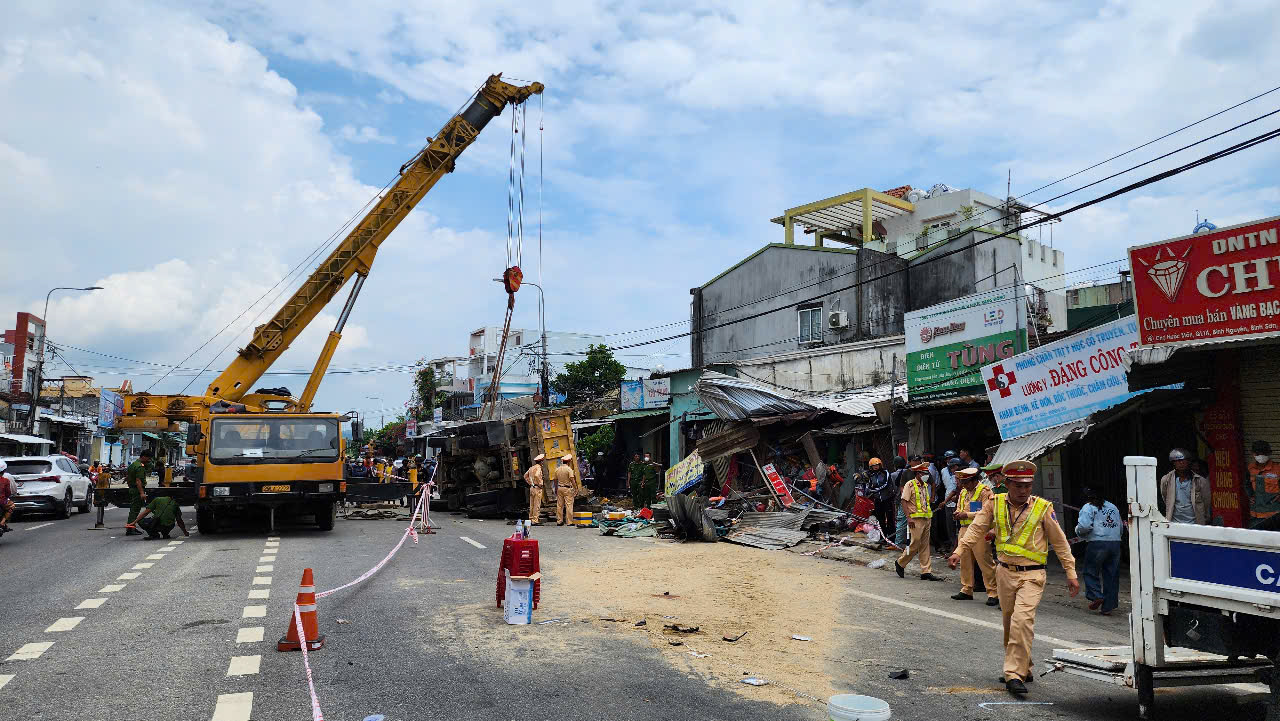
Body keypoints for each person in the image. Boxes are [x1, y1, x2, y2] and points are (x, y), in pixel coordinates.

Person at [949, 459, 1079, 695]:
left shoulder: (1042, 508)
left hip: (1033, 575)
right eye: (1018, 486)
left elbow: (1060, 542)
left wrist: (1070, 572)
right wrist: (959, 551)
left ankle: (1013, 674)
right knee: (1010, 624)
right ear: (1007, 483)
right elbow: (976, 528)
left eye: (1027, 486)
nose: (1023, 490)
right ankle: (1024, 667)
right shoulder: (995, 503)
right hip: (1004, 572)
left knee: (1022, 621)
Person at [948, 466, 998, 605]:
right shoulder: (964, 491)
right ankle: (967, 589)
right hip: (964, 529)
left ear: (974, 480)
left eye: (966, 482)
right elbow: (959, 507)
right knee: (965, 561)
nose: (963, 485)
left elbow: (987, 513)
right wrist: (958, 513)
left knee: (985, 561)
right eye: (962, 482)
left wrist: (967, 515)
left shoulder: (985, 492)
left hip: (980, 531)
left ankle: (993, 593)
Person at [1076, 486, 1124, 615]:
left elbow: (1084, 526)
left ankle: (1096, 595)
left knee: (1090, 571)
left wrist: (1079, 532)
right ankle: (1108, 606)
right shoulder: (1113, 507)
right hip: (1115, 543)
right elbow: (1120, 527)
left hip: (1097, 543)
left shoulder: (1088, 507)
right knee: (1112, 575)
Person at [896, 461, 942, 581]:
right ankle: (900, 562)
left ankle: (926, 571)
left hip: (926, 518)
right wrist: (908, 517)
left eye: (927, 473)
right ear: (918, 474)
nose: (926, 475)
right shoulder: (910, 485)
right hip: (915, 519)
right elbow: (904, 501)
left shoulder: (925, 486)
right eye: (924, 473)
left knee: (925, 545)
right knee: (915, 543)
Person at [1159, 448, 1211, 525]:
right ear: (1174, 463)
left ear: (1188, 462)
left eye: (1184, 460)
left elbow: (1206, 503)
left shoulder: (1200, 481)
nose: (1181, 463)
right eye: (1178, 461)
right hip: (1174, 523)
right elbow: (1165, 498)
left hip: (1195, 524)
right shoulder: (1166, 480)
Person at [1246, 440, 1280, 529]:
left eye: (1263, 453)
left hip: (1275, 515)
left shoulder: (1277, 468)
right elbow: (1247, 484)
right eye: (1258, 453)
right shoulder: (1250, 468)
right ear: (1253, 454)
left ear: (1269, 453)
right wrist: (1250, 496)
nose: (1261, 456)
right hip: (1256, 515)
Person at [125, 450, 152, 536]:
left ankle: (131, 527)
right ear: (143, 456)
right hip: (137, 490)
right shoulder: (139, 467)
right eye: (148, 458)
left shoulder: (133, 465)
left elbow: (128, 477)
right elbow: (138, 481)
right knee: (135, 510)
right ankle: (130, 528)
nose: (149, 460)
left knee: (133, 509)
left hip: (132, 488)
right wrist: (142, 493)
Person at [864, 457, 891, 534]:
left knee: (890, 518)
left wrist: (876, 490)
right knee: (880, 519)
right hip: (877, 500)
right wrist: (868, 490)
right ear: (871, 467)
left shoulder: (885, 473)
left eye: (877, 465)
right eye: (873, 465)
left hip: (887, 499)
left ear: (880, 465)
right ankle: (883, 536)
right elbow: (869, 486)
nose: (875, 467)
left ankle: (891, 537)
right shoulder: (871, 476)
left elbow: (887, 484)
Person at [553, 453, 579, 526]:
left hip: (559, 488)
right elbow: (572, 479)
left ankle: (559, 521)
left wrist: (556, 488)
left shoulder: (557, 469)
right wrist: (576, 488)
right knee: (569, 505)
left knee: (559, 505)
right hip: (567, 489)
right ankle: (569, 522)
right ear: (569, 461)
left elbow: (555, 480)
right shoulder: (569, 469)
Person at [525, 453, 546, 525]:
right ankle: (535, 520)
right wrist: (540, 484)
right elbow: (537, 475)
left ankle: (531, 519)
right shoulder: (538, 468)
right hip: (537, 488)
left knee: (532, 505)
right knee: (537, 505)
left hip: (532, 487)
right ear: (541, 462)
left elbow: (525, 476)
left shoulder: (531, 468)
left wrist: (530, 483)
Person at [0, 460, 15, 533]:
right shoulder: (5, 480)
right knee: (12, 505)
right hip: (2, 502)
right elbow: (8, 493)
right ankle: (2, 522)